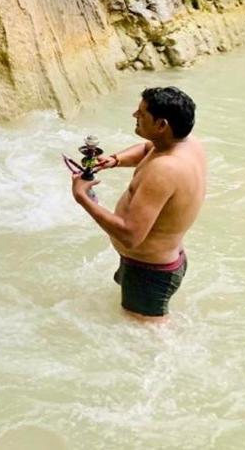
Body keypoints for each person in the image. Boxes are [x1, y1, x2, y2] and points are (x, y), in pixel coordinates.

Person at [71, 86, 206, 321]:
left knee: (148, 339)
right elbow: (146, 148)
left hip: (150, 272)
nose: (135, 115)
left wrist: (82, 197)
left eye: (142, 113)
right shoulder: (185, 143)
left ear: (161, 124)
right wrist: (114, 160)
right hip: (157, 263)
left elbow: (130, 235)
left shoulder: (165, 170)